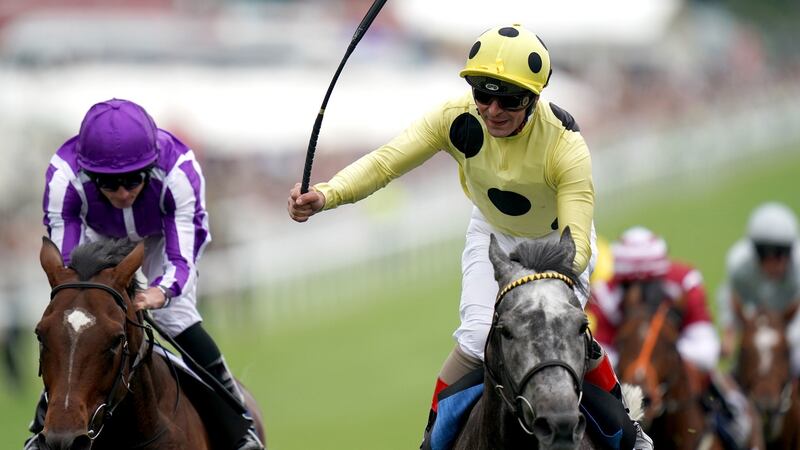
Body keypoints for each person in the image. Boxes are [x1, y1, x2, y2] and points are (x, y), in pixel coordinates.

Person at [288, 24, 652, 450]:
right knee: (479, 337)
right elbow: (387, 162)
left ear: (534, 100)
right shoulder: (455, 118)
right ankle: (432, 441)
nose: (493, 110)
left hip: (558, 247)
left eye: (509, 99)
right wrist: (326, 194)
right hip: (493, 236)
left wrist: (549, 284)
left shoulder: (565, 144)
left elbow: (577, 242)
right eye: (483, 94)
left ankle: (630, 437)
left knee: (558, 329)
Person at [27, 98, 263, 450]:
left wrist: (161, 291)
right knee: (75, 323)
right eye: (108, 183)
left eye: (133, 179)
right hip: (95, 240)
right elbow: (68, 264)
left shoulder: (180, 171)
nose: (123, 192)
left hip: (158, 239)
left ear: (151, 166)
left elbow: (182, 258)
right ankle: (42, 429)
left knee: (176, 316)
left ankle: (239, 425)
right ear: (88, 173)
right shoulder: (63, 176)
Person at [590, 226, 753, 448]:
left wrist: (663, 357)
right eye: (628, 285)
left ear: (659, 276)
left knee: (731, 398)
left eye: (648, 286)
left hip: (681, 367)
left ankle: (737, 423)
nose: (637, 294)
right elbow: (602, 350)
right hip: (628, 375)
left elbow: (705, 347)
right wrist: (636, 366)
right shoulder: (604, 295)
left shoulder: (685, 281)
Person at [718, 202, 800, 372]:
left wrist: (781, 338)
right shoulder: (739, 264)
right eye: (764, 254)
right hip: (759, 326)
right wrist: (729, 334)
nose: (772, 264)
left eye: (779, 254)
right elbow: (729, 296)